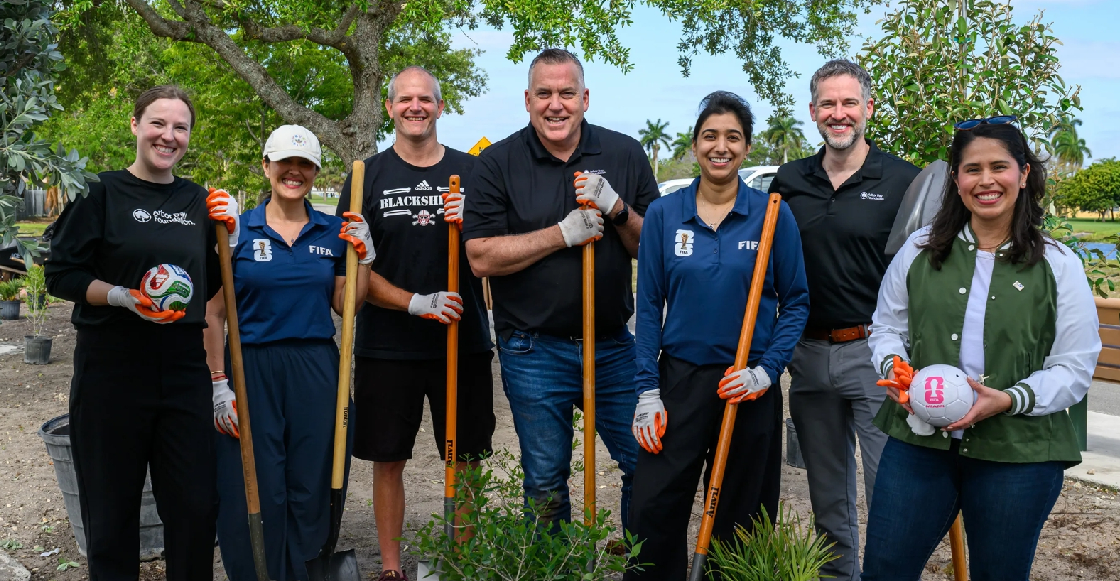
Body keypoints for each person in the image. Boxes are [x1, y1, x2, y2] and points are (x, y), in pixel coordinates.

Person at [863, 118, 1100, 580]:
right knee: (885, 569)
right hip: (920, 442)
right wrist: (896, 368)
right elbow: (886, 327)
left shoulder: (1058, 264)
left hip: (1019, 453)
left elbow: (1074, 366)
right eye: (972, 169)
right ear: (955, 179)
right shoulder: (920, 249)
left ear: (1024, 173)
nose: (986, 180)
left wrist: (1010, 399)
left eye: (999, 167)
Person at [462, 48, 658, 532]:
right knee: (546, 480)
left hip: (612, 346)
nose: (556, 104)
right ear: (527, 100)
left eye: (566, 93)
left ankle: (641, 568)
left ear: (585, 98)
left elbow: (653, 248)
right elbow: (481, 256)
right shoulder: (497, 163)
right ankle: (559, 569)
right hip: (533, 349)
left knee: (646, 462)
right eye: (544, 94)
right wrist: (561, 234)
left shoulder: (624, 154)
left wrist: (616, 210)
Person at [625, 91, 810, 579]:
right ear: (695, 144)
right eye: (710, 136)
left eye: (733, 137)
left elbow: (796, 302)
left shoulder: (773, 213)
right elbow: (647, 312)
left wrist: (766, 372)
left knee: (742, 515)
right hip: (679, 382)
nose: (720, 146)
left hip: (745, 385)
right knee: (652, 505)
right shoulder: (665, 215)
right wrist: (647, 388)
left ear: (747, 148)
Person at [44, 85, 220, 581]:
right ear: (136, 126)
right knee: (110, 516)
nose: (169, 136)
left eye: (180, 127)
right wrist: (122, 296)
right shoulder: (99, 192)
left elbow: (215, 280)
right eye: (158, 124)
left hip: (183, 372)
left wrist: (229, 234)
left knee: (196, 508)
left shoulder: (198, 201)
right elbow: (61, 274)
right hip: (111, 373)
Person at [335, 66, 495, 581]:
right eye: (404, 99)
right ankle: (390, 569)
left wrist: (469, 219)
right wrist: (414, 303)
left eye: (425, 98)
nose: (415, 107)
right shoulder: (366, 176)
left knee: (463, 460)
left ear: (440, 106)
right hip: (388, 346)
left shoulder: (473, 172)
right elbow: (355, 271)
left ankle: (463, 562)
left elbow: (491, 257)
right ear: (389, 108)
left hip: (461, 341)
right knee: (388, 460)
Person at [767, 59, 920, 581]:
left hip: (878, 356)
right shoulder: (788, 182)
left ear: (868, 109)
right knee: (827, 494)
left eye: (849, 102)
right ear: (813, 112)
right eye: (828, 104)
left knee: (889, 491)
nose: (839, 113)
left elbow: (929, 267)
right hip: (808, 357)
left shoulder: (903, 180)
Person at [204, 125, 373, 581]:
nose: (293, 172)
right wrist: (220, 384)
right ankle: (260, 572)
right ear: (267, 167)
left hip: (316, 367)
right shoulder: (238, 232)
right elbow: (214, 314)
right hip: (252, 365)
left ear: (315, 172)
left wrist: (366, 259)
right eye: (284, 163)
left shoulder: (332, 231)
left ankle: (304, 568)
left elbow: (346, 306)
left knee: (312, 478)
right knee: (257, 483)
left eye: (304, 165)